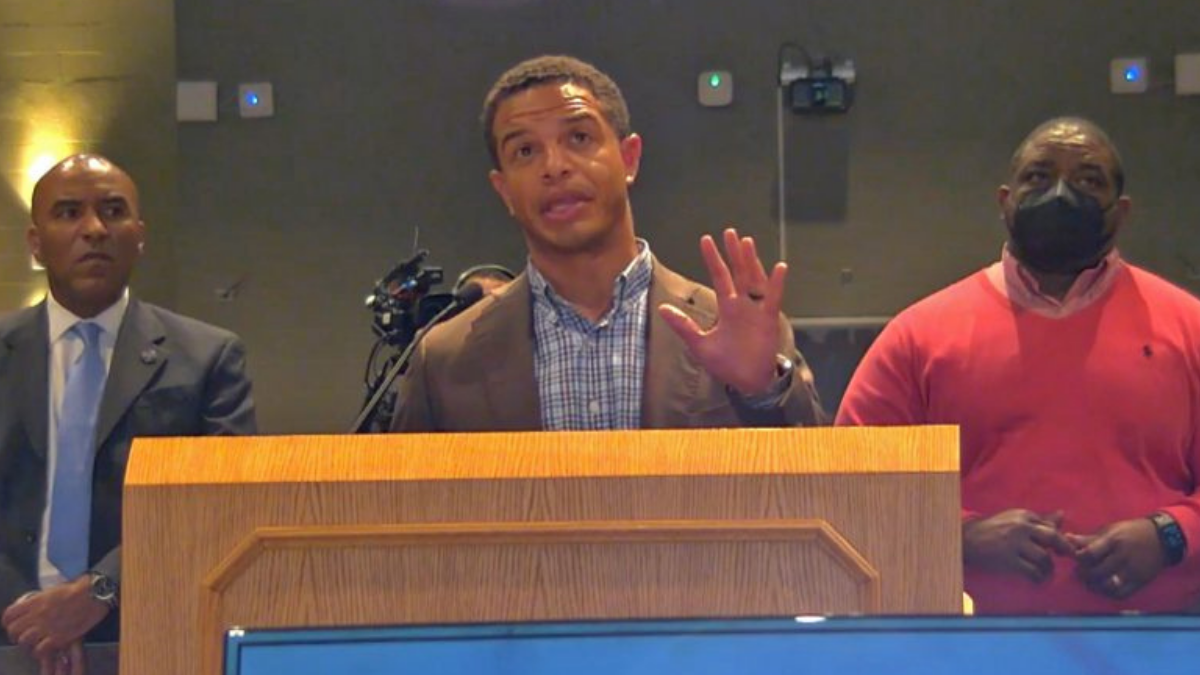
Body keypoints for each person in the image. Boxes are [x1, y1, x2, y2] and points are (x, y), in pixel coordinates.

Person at [837, 117, 1199, 613]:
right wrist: (962, 535)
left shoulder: (1189, 327)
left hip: (1161, 639)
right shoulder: (919, 335)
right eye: (1038, 176)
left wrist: (1170, 535)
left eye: (1089, 180)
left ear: (1122, 212)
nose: (1060, 194)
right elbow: (851, 487)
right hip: (967, 640)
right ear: (1005, 201)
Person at [391, 55, 823, 432]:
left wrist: (762, 391)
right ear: (503, 190)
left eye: (579, 138)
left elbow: (819, 485)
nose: (554, 167)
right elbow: (406, 517)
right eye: (525, 151)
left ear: (629, 159)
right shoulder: (444, 360)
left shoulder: (734, 328)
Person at [0, 154, 257, 671]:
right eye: (69, 212)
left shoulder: (208, 357)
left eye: (112, 211)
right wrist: (33, 614)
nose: (93, 229)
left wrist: (98, 593)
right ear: (35, 242)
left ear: (139, 236)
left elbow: (224, 504)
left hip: (153, 636)